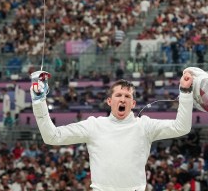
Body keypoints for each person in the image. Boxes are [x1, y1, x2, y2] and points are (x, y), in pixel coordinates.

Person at [30, 71, 194, 191]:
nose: (123, 99)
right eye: (118, 95)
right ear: (109, 101)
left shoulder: (145, 126)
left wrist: (186, 93)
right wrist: (39, 102)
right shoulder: (94, 126)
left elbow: (182, 127)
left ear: (133, 103)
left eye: (127, 96)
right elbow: (52, 137)